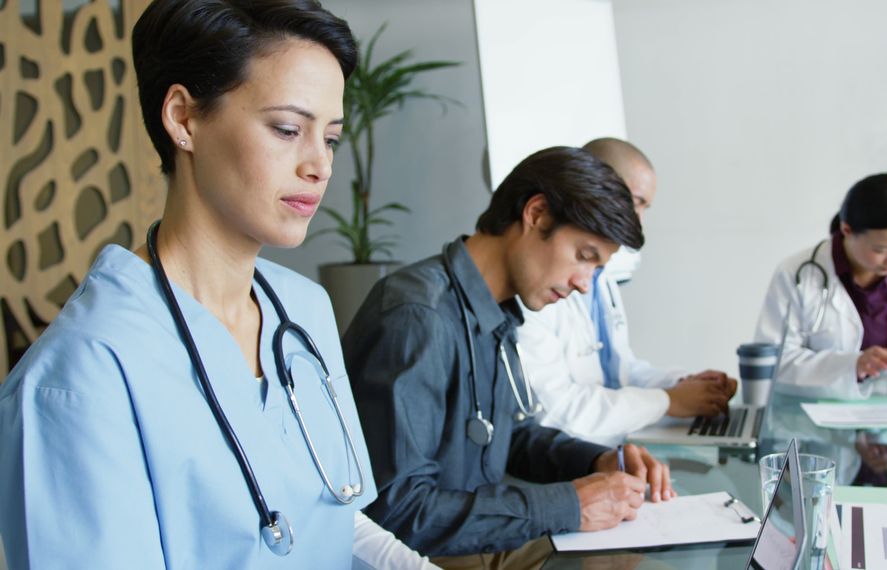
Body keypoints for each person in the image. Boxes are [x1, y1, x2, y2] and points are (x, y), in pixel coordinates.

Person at [0, 1, 433, 568]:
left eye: (329, 138)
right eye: (286, 129)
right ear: (183, 118)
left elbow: (329, 517)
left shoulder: (303, 311)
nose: (319, 166)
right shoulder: (79, 375)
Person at [342, 146, 675, 565]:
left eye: (596, 269)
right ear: (536, 214)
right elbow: (399, 512)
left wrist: (597, 459)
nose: (584, 284)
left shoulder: (496, 312)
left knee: (643, 551)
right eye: (584, 256)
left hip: (481, 542)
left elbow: (509, 434)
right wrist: (568, 505)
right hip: (429, 558)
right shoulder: (418, 317)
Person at [516, 138, 737, 447]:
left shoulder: (602, 274)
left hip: (616, 445)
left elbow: (620, 370)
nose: (638, 221)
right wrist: (668, 401)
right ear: (594, 186)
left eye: (644, 207)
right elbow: (556, 412)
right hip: (572, 459)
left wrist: (680, 386)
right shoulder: (535, 286)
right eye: (634, 201)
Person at [754, 173, 887, 400]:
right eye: (881, 250)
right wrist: (852, 365)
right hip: (813, 426)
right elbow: (773, 364)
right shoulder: (796, 274)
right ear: (847, 230)